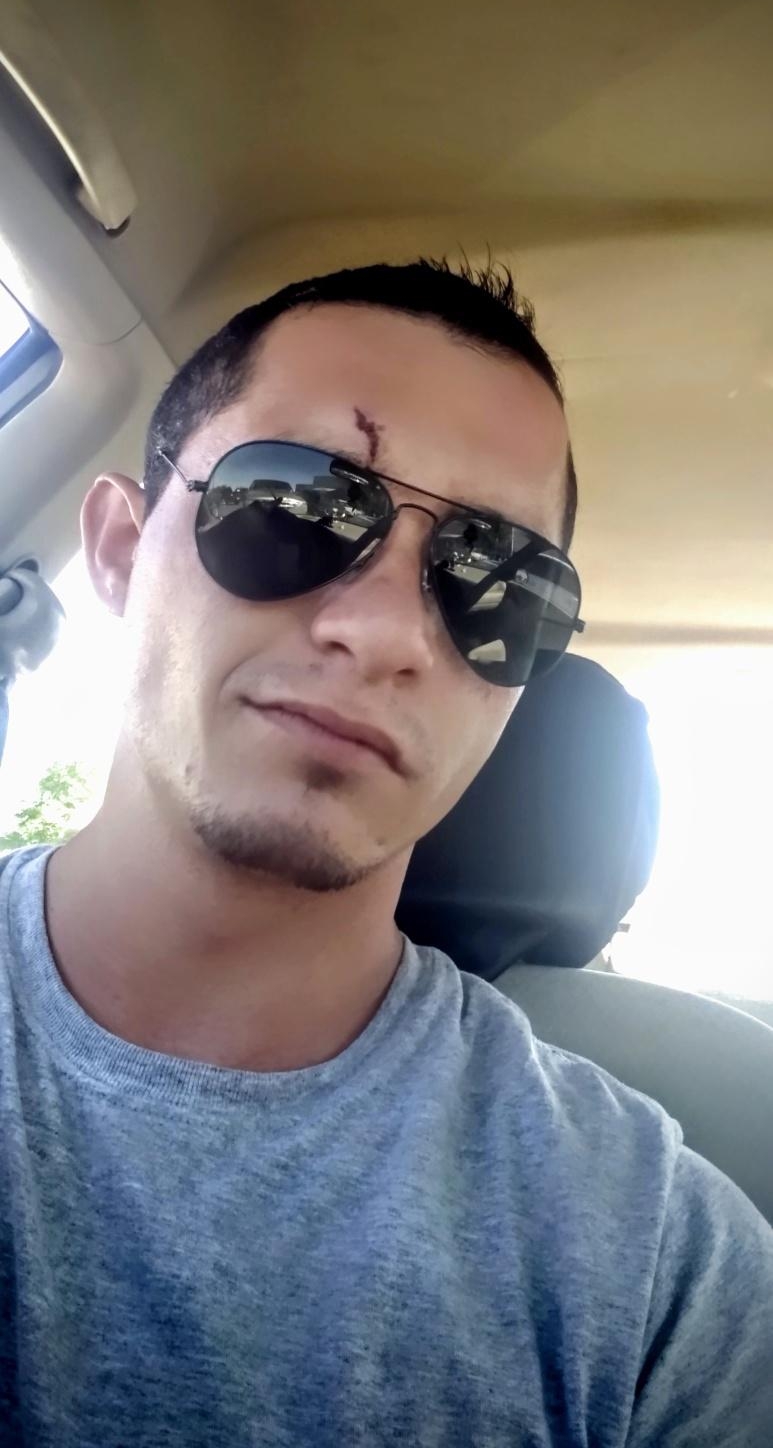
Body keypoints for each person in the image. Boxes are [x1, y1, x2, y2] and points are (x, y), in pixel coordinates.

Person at [1, 258, 771, 1446]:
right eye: (293, 505)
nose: (383, 631)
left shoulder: (658, 1269)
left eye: (498, 587)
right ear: (115, 546)